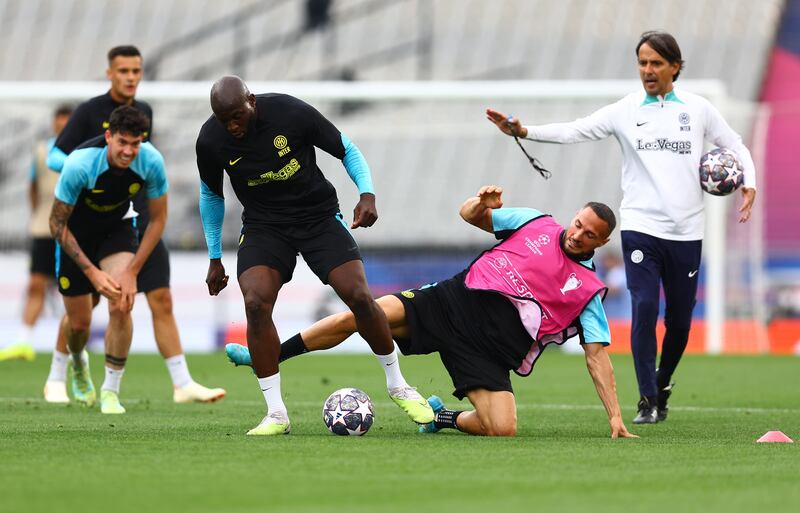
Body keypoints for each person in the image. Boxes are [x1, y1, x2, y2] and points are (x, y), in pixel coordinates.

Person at [486, 31, 757, 424]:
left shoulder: (698, 109)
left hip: (686, 232)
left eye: (656, 63)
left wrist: (749, 181)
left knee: (680, 321)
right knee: (644, 306)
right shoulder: (626, 110)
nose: (648, 70)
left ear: (675, 67)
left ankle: (662, 383)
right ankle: (647, 398)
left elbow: (735, 145)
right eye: (643, 62)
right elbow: (576, 130)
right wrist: (525, 132)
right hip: (640, 227)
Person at [226, 185, 637, 439]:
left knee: (502, 428)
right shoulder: (537, 223)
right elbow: (469, 216)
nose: (578, 233)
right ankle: (269, 354)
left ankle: (439, 417)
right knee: (362, 313)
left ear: (599, 244)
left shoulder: (587, 290)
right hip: (450, 302)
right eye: (579, 223)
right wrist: (481, 203)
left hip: (490, 351)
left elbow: (597, 355)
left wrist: (616, 417)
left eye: (589, 235)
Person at [195, 76, 434, 435]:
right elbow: (211, 195)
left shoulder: (290, 113)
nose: (232, 126)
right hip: (264, 227)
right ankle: (276, 414)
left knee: (359, 297)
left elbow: (346, 149)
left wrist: (366, 194)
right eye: (223, 119)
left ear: (252, 102)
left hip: (318, 217)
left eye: (237, 116)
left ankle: (399, 385)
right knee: (256, 302)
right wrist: (215, 257)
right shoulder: (211, 141)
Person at [45, 45, 224, 404]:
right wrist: (90, 171)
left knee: (148, 297)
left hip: (129, 218)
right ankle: (60, 373)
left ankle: (172, 383)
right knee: (81, 316)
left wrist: (124, 175)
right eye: (123, 71)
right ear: (110, 73)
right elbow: (54, 158)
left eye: (136, 71)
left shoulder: (144, 117)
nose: (130, 77)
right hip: (82, 216)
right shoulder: (88, 121)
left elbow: (150, 184)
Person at [50, 106, 168, 414]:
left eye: (136, 143)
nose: (129, 151)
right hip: (75, 234)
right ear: (108, 138)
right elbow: (56, 224)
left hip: (116, 230)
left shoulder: (151, 161)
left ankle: (111, 391)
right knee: (78, 324)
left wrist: (131, 271)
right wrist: (91, 273)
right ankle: (78, 363)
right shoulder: (79, 164)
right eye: (122, 143)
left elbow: (157, 220)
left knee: (121, 301)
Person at [0, 105, 72, 365]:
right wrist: (40, 214)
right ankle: (24, 340)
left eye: (67, 123)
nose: (62, 127)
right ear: (54, 124)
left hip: (73, 229)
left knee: (73, 290)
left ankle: (74, 342)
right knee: (36, 285)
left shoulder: (82, 151)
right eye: (59, 122)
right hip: (44, 228)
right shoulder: (42, 151)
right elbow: (33, 188)